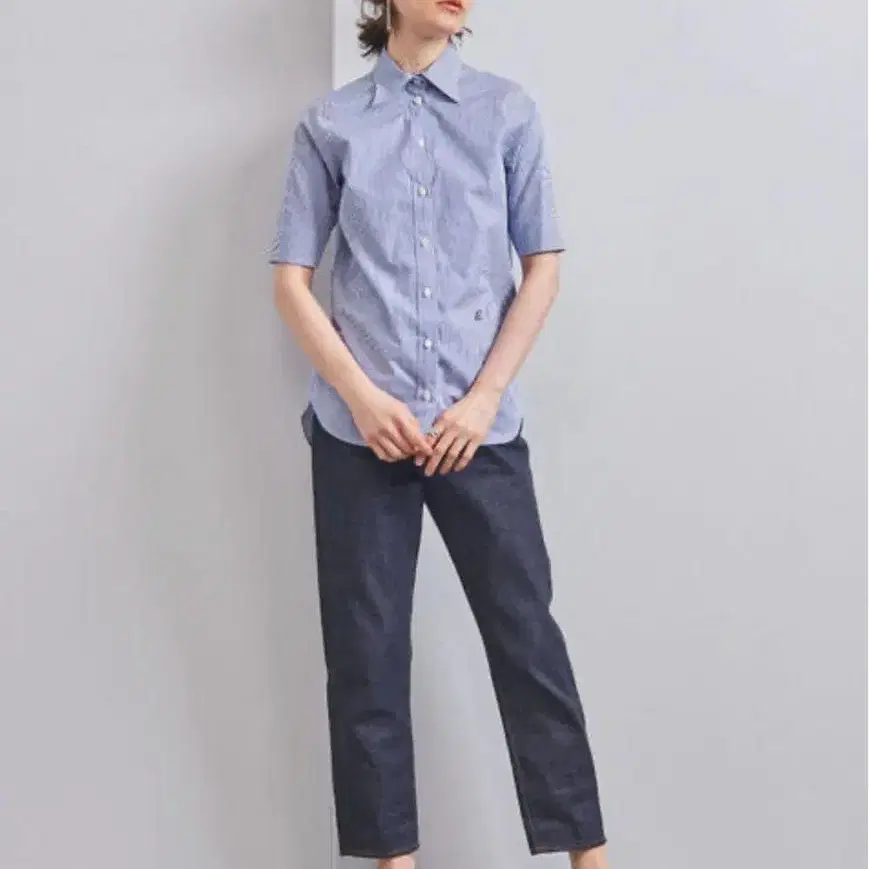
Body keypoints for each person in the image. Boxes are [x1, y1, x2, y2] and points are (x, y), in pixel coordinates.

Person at [267, 2, 611, 867]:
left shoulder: (506, 111)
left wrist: (482, 398)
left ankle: (590, 859)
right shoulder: (331, 124)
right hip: (361, 437)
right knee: (366, 657)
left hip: (477, 430)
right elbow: (291, 281)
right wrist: (361, 396)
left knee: (528, 643)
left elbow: (542, 268)